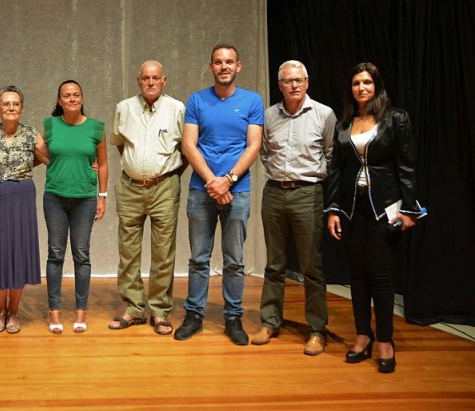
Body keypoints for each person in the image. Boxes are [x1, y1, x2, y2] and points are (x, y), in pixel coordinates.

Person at [326, 62, 423, 373]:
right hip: (352, 208)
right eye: (356, 83)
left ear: (377, 86)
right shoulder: (345, 124)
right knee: (357, 275)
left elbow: (406, 166)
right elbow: (337, 170)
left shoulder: (396, 118)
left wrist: (409, 210)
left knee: (380, 276)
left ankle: (385, 340)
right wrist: (333, 209)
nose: (361, 88)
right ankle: (361, 336)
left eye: (367, 82)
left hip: (385, 206)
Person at [175, 44, 264, 344]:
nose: (223, 66)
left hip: (237, 191)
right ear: (211, 66)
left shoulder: (252, 100)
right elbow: (189, 144)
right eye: (218, 62)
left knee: (234, 260)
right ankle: (194, 315)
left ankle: (233, 318)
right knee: (198, 259)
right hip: (202, 190)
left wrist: (229, 179)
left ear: (238, 66)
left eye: (229, 62)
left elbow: (253, 145)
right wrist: (214, 181)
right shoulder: (197, 100)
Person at [252, 60, 336, 355]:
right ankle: (270, 321)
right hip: (274, 193)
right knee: (274, 264)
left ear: (307, 82)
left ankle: (316, 329)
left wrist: (305, 178)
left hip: (308, 193)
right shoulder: (268, 115)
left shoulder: (324, 114)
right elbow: (263, 153)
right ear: (280, 85)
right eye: (288, 81)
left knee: (311, 267)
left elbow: (330, 154)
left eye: (299, 80)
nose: (294, 85)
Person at [108, 61, 185, 335]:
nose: (150, 82)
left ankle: (161, 311)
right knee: (128, 251)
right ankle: (133, 308)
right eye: (145, 78)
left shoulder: (177, 109)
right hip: (130, 187)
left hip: (164, 186)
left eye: (155, 78)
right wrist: (137, 170)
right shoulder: (123, 108)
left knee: (163, 252)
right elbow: (119, 144)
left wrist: (161, 174)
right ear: (137, 80)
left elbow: (185, 150)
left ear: (164, 80)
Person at [0, 86, 49, 334]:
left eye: (15, 103)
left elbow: (49, 158)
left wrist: (89, 164)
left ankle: (15, 311)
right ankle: (0, 311)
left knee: (18, 249)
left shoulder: (31, 134)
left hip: (22, 194)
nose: (10, 107)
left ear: (22, 108)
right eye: (6, 104)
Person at [43, 79, 108, 334]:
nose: (71, 99)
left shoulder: (96, 128)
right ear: (59, 100)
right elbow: (42, 154)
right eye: (66, 96)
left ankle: (81, 312)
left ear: (82, 98)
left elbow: (102, 164)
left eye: (76, 95)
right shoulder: (50, 126)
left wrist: (101, 196)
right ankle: (54, 312)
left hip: (85, 199)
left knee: (82, 255)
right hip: (55, 198)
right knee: (55, 253)